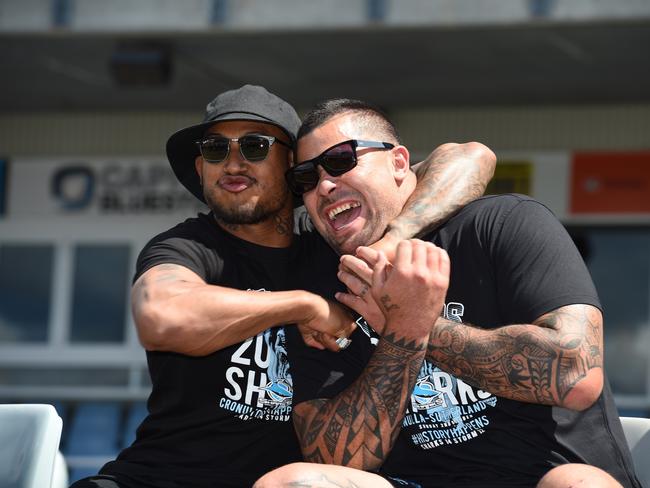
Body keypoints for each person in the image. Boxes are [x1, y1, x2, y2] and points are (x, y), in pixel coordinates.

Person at [70, 85, 496, 488]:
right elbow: (161, 316)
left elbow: (470, 157)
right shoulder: (186, 248)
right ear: (201, 169)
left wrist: (393, 239)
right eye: (216, 150)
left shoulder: (333, 245)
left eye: (255, 147)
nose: (233, 164)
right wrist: (305, 306)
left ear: (293, 167)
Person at [255, 99, 641, 488]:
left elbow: (576, 375)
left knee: (576, 483)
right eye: (305, 178)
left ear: (400, 163)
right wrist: (401, 339)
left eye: (342, 160)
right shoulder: (323, 280)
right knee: (290, 482)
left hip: (545, 478)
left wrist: (414, 323)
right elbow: (331, 456)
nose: (323, 185)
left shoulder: (502, 224)